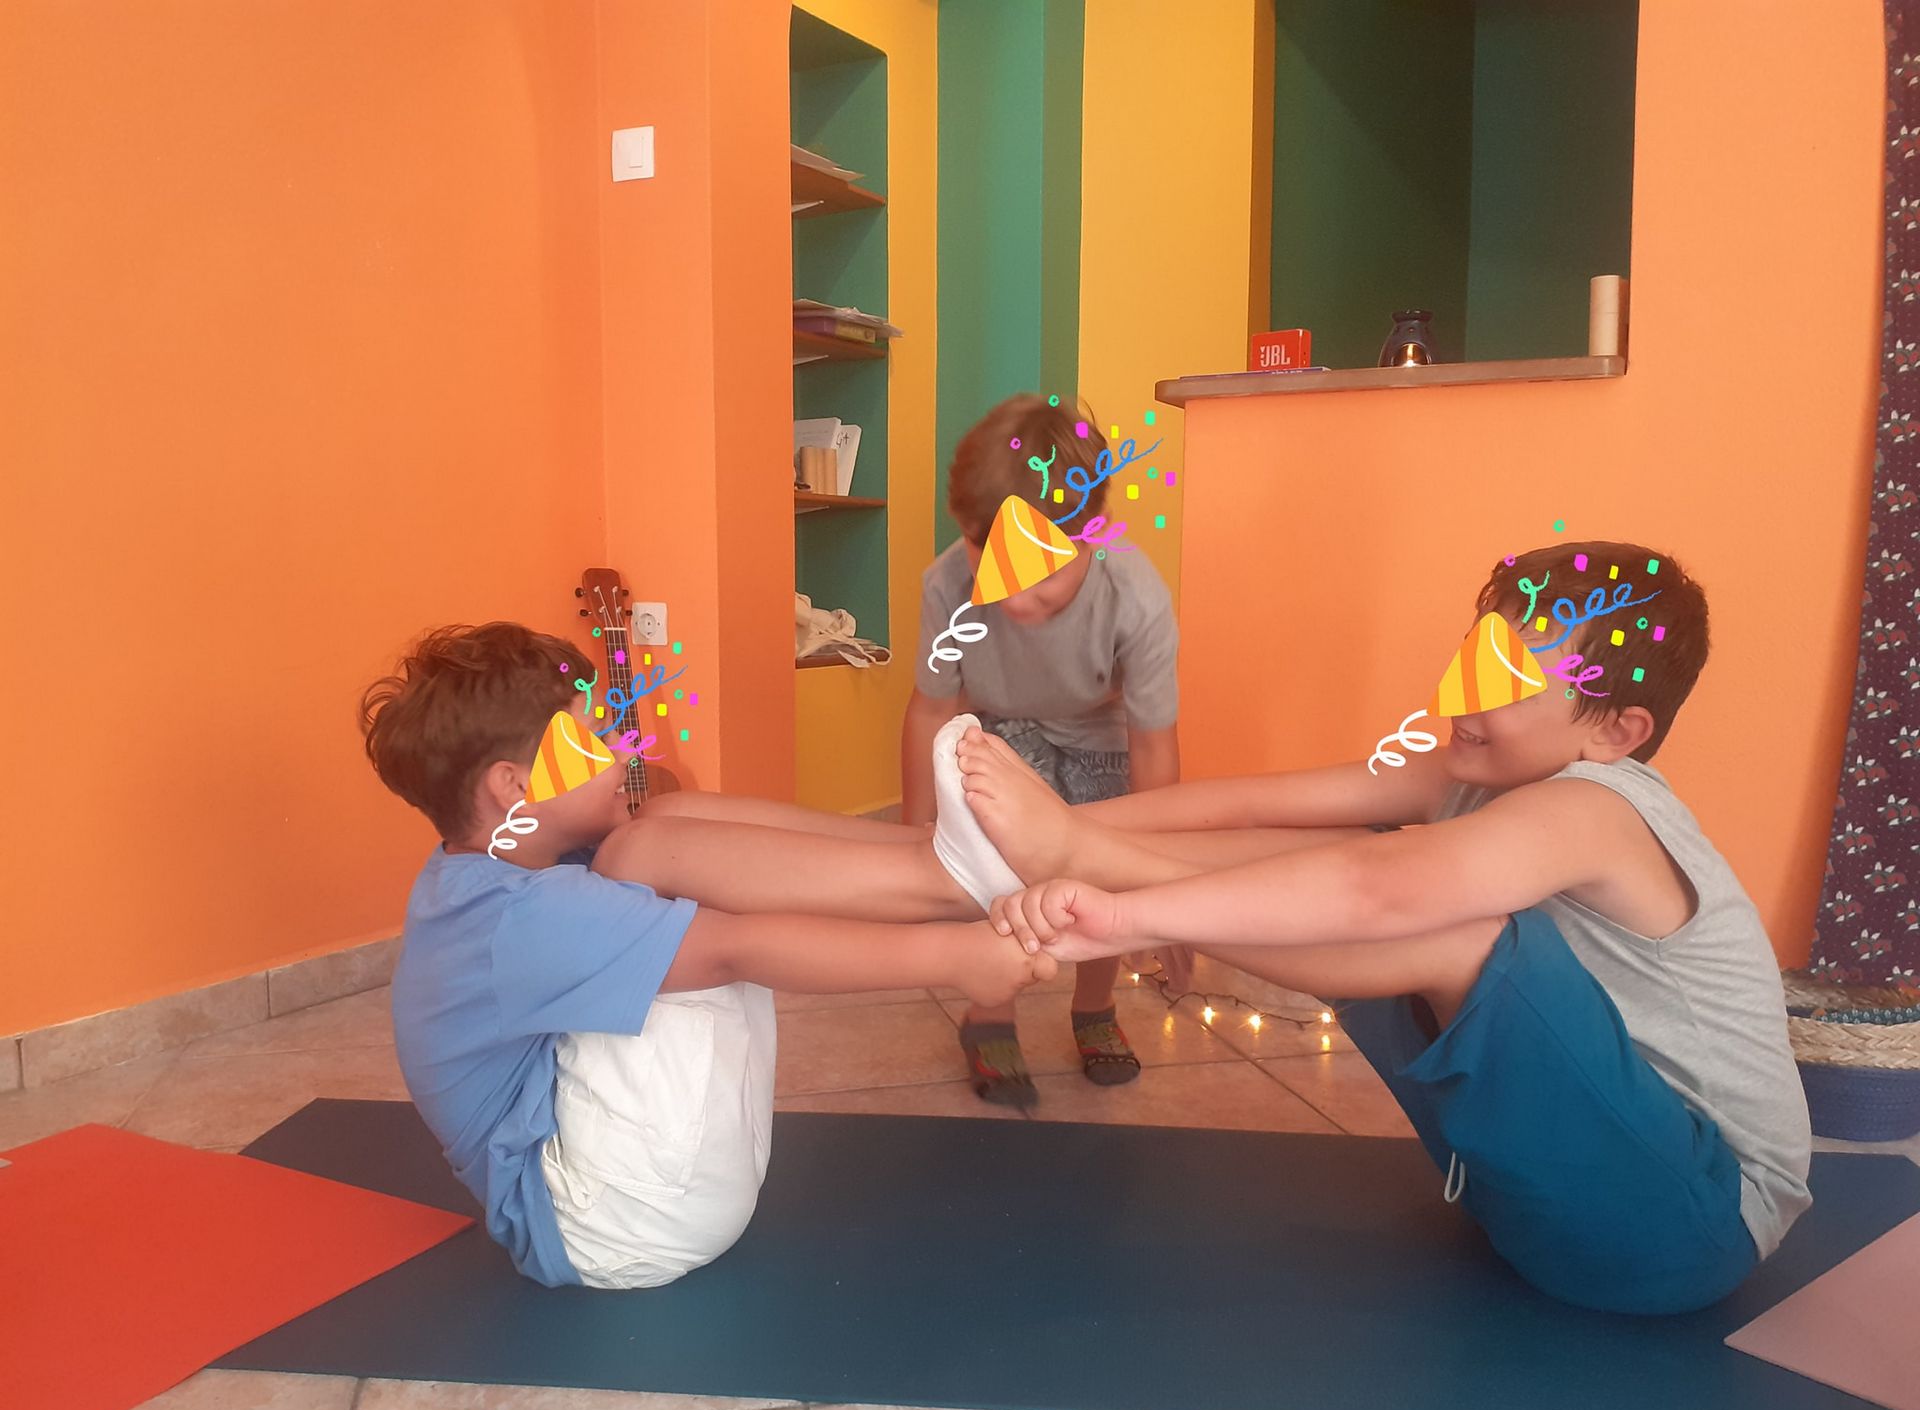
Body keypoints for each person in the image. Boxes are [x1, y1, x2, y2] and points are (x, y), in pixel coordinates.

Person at [960, 539, 1814, 1316]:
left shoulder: (1600, 808)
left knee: (1444, 917)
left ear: (1614, 731)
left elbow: (1380, 892)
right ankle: (1079, 865)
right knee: (1340, 855)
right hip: (1546, 1207)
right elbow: (1254, 803)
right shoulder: (1471, 774)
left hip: (1688, 1226)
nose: (1464, 694)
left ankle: (1100, 889)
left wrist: (1124, 910)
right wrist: (1073, 831)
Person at [358, 623, 1054, 1290]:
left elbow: (668, 810)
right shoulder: (520, 917)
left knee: (658, 826)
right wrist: (953, 958)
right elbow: (733, 952)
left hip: (643, 1194)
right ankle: (943, 887)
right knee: (645, 854)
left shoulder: (487, 873)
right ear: (513, 787)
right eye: (593, 737)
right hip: (608, 1221)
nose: (620, 745)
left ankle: (932, 859)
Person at [900, 393, 1181, 1106]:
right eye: (994, 564)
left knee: (1101, 874)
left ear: (1093, 535)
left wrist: (1162, 874)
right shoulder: (946, 586)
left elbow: (1154, 741)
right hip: (997, 729)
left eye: (1043, 573)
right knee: (990, 872)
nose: (1018, 600)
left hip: (1100, 736)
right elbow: (931, 706)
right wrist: (918, 826)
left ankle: (1095, 1006)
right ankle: (991, 1011)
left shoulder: (1135, 595)